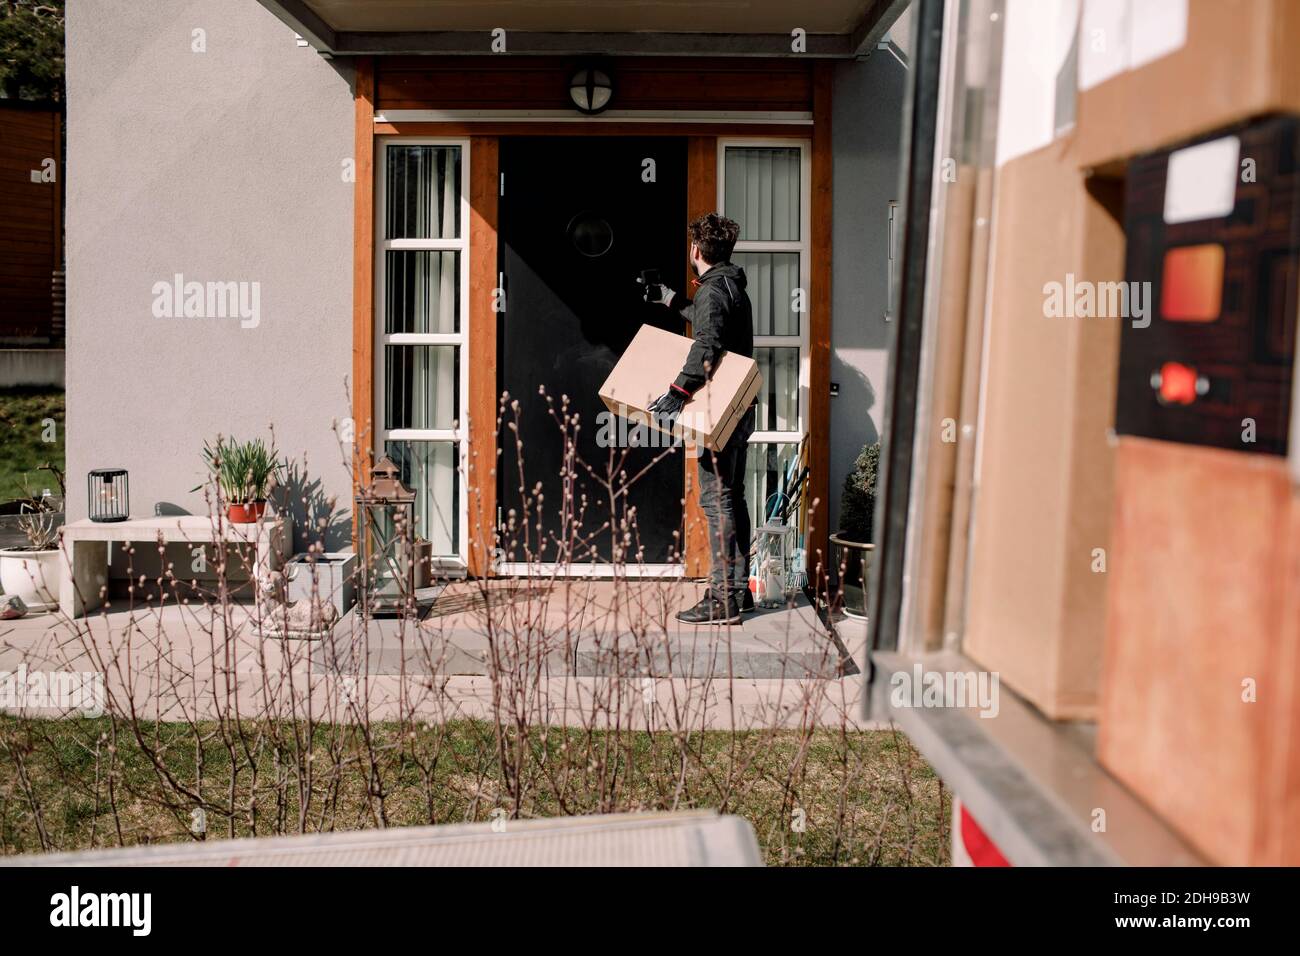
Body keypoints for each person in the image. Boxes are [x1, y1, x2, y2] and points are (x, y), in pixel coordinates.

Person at [642, 213, 756, 625]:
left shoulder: (713, 291)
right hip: (741, 408)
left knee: (717, 500)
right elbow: (717, 329)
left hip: (720, 410)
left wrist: (677, 392)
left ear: (696, 250)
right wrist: (672, 300)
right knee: (733, 497)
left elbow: (708, 342)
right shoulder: (731, 285)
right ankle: (738, 593)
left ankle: (722, 597)